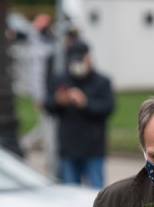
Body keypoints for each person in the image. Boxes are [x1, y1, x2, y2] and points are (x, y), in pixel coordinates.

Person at [45, 41, 114, 189]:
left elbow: (108, 107)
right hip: (69, 147)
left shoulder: (102, 81)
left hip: (93, 148)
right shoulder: (61, 79)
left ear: (89, 59)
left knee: (97, 192)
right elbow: (47, 105)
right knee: (71, 193)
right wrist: (59, 101)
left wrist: (85, 103)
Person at [19, 13, 56, 156]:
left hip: (48, 93)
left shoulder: (46, 44)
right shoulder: (37, 49)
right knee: (47, 127)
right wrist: (40, 97)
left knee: (46, 126)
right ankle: (28, 146)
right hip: (43, 94)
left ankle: (25, 145)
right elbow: (37, 77)